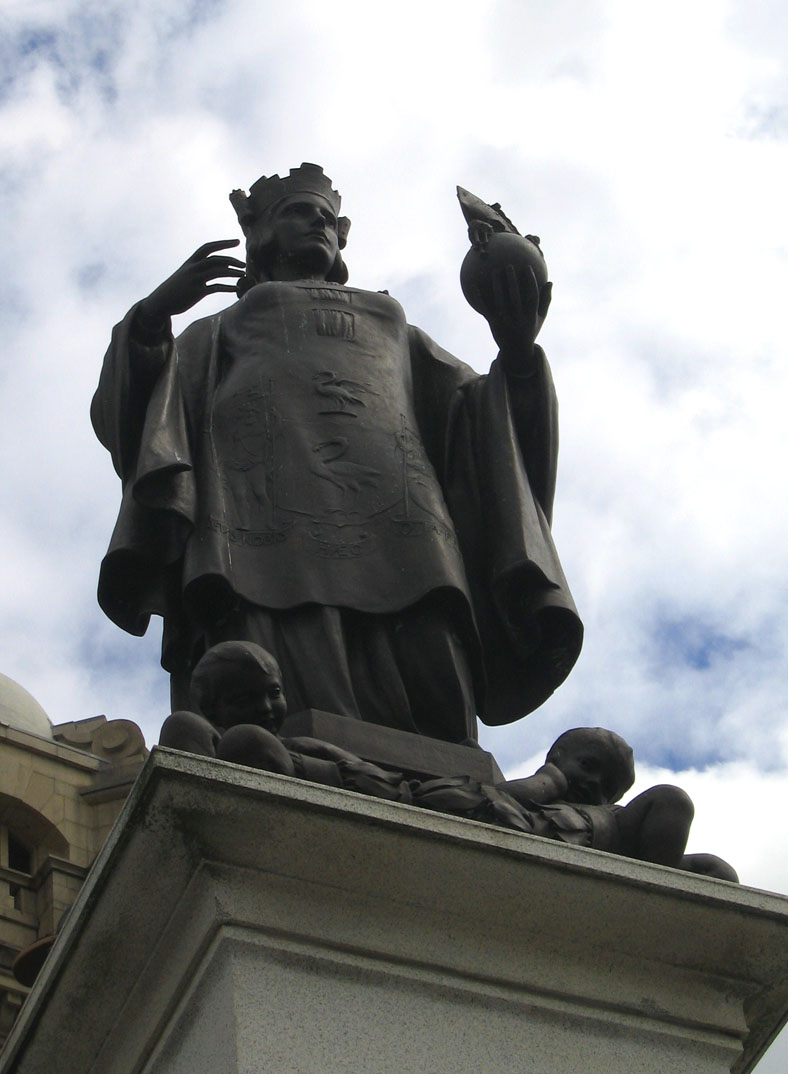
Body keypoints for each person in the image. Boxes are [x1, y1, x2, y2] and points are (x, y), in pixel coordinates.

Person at [93, 163, 582, 743]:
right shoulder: (226, 326)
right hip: (257, 527)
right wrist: (153, 316)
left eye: (327, 218)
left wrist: (518, 350)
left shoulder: (390, 323)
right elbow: (147, 419)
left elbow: (472, 414)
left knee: (433, 674)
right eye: (299, 213)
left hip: (404, 531)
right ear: (260, 233)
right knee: (267, 672)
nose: (317, 225)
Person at [160, 640, 413, 801]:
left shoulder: (302, 746)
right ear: (213, 711)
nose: (265, 707)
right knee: (181, 724)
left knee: (247, 740)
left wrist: (310, 760)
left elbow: (382, 784)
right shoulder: (208, 737)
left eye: (274, 693)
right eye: (244, 700)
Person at [499, 727, 738, 880]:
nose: (594, 782)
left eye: (607, 788)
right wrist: (548, 781)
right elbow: (496, 798)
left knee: (672, 800)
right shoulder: (542, 789)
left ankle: (659, 882)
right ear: (556, 758)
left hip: (612, 840)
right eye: (587, 766)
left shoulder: (613, 818)